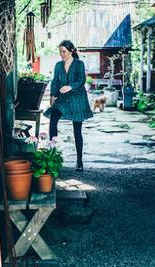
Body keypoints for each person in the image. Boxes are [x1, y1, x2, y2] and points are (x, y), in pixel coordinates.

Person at [44, 40, 93, 171]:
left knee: (77, 130)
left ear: (71, 51)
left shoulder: (79, 64)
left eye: (64, 51)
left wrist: (70, 87)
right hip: (62, 99)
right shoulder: (58, 65)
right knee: (53, 120)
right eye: (60, 51)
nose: (62, 54)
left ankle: (79, 161)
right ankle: (51, 155)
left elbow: (81, 80)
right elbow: (54, 82)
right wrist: (52, 95)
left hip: (77, 98)